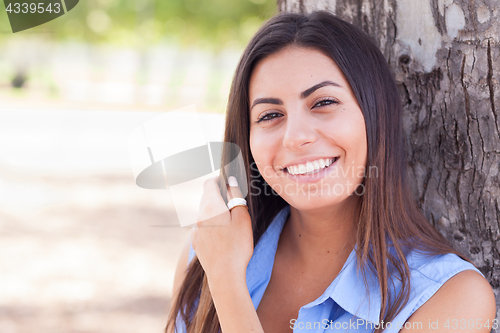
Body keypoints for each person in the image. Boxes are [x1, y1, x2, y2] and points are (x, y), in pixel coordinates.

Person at [165, 11, 496, 333]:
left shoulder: (451, 299)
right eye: (269, 115)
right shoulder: (207, 253)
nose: (296, 137)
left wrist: (227, 286)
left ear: (374, 114)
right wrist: (221, 271)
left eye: (323, 102)